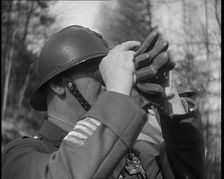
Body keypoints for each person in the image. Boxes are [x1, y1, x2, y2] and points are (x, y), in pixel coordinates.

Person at [2, 25, 204, 179]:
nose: (108, 81)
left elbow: (185, 173)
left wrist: (170, 101)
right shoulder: (20, 156)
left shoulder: (133, 156)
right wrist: (117, 89)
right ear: (58, 84)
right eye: (99, 73)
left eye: (109, 72)